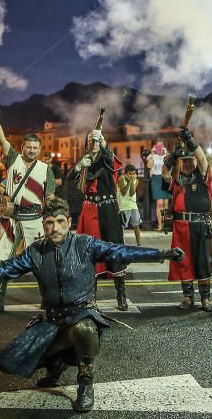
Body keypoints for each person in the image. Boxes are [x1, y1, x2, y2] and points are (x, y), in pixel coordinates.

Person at [0, 196, 184, 412]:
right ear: (43, 225)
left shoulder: (86, 245)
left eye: (60, 222)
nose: (55, 228)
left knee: (85, 330)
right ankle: (56, 363)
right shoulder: (34, 252)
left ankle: (85, 383)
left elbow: (122, 251)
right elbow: (1, 270)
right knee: (8, 362)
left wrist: (161, 254)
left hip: (81, 316)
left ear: (69, 221)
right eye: (49, 223)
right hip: (52, 322)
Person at [0, 105, 56, 315]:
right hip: (12, 219)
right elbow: (0, 138)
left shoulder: (46, 170)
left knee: (41, 263)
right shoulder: (13, 159)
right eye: (28, 147)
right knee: (5, 262)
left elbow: (50, 198)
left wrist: (55, 219)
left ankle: (48, 300)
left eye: (35, 148)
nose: (31, 150)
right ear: (23, 147)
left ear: (39, 149)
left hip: (35, 220)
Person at [69, 128, 130, 311]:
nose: (92, 143)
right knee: (88, 255)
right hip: (89, 210)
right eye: (90, 140)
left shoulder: (106, 158)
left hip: (108, 210)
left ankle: (121, 294)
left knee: (114, 251)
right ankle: (90, 297)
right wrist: (79, 167)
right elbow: (71, 178)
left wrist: (103, 141)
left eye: (95, 140)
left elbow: (111, 158)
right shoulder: (85, 161)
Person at [163, 128, 212, 311]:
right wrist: (173, 155)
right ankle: (188, 297)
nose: (187, 163)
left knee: (203, 261)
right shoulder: (177, 179)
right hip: (181, 226)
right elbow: (164, 172)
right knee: (183, 261)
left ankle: (205, 298)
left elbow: (202, 158)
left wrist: (190, 140)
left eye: (189, 160)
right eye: (183, 161)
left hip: (201, 224)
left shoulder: (203, 177)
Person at [144, 139, 170, 232]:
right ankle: (160, 225)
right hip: (156, 179)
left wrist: (166, 154)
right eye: (157, 146)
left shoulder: (166, 156)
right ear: (154, 146)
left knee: (166, 204)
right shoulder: (152, 156)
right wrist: (151, 153)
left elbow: (169, 166)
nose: (159, 147)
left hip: (165, 179)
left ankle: (166, 224)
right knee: (159, 204)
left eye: (161, 145)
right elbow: (149, 166)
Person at [116, 164, 142, 246]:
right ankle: (122, 243)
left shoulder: (136, 180)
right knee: (122, 226)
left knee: (136, 225)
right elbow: (123, 192)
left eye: (133, 174)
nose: (132, 175)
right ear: (125, 173)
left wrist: (132, 182)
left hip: (133, 205)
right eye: (130, 173)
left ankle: (139, 243)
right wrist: (129, 182)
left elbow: (131, 193)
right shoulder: (121, 179)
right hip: (123, 206)